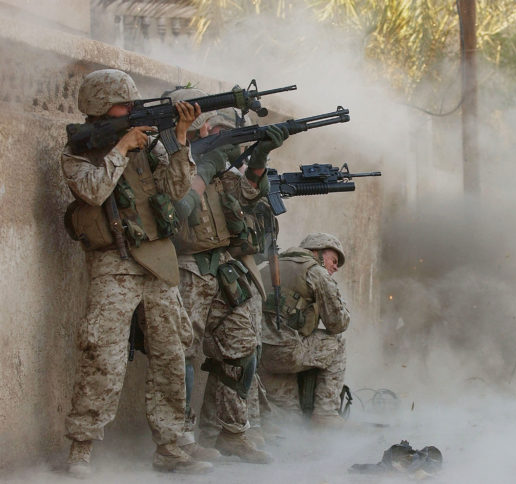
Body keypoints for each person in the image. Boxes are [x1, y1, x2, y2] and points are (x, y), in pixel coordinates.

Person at [61, 69, 210, 476]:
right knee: (103, 356)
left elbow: (175, 189)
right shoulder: (80, 150)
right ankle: (81, 447)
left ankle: (171, 446)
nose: (132, 109)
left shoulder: (146, 143)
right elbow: (92, 191)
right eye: (123, 104)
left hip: (157, 260)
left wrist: (179, 138)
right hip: (115, 264)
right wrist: (121, 147)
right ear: (98, 106)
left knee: (170, 355)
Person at [167, 86, 287, 463]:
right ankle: (181, 439)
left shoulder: (221, 171)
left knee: (242, 347)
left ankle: (233, 432)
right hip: (188, 268)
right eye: (217, 132)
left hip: (222, 269)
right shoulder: (177, 162)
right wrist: (206, 164)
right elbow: (176, 206)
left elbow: (251, 191)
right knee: (181, 355)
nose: (225, 142)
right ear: (200, 131)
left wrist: (260, 156)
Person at [258, 232, 351, 427]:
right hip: (289, 353)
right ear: (316, 252)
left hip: (261, 356)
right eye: (333, 260)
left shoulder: (269, 267)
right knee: (338, 341)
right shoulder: (316, 272)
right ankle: (326, 414)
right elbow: (337, 323)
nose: (335, 267)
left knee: (291, 422)